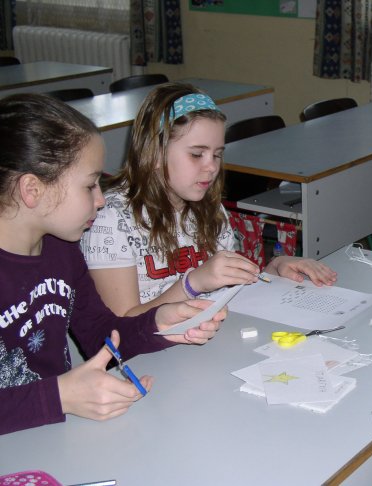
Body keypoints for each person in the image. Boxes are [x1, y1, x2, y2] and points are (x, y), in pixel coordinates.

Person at [0, 93, 224, 435]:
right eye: (90, 185)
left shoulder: (61, 250)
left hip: (48, 432)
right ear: (33, 190)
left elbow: (98, 335)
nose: (101, 199)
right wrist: (59, 396)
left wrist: (158, 323)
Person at [81, 82, 337, 316]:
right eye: (196, 154)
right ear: (155, 153)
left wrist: (274, 270)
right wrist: (192, 284)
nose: (212, 167)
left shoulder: (207, 207)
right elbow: (120, 328)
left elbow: (228, 292)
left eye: (217, 154)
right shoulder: (110, 219)